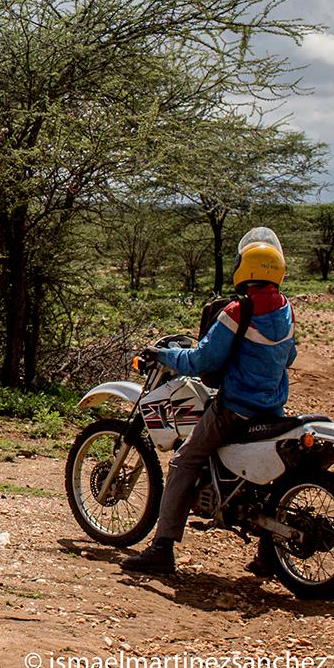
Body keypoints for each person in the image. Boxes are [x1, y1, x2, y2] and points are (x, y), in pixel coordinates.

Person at [120, 227, 297, 576]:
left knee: (184, 461)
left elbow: (201, 361)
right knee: (273, 480)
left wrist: (165, 354)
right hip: (273, 409)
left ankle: (162, 548)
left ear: (244, 268)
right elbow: (288, 356)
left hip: (235, 411)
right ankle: (268, 557)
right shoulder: (284, 309)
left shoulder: (237, 311)